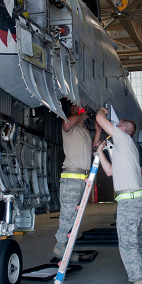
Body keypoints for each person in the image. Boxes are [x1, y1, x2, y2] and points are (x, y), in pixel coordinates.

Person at [95, 107, 142, 284]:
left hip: (129, 201)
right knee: (135, 243)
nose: (114, 128)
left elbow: (100, 118)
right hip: (133, 199)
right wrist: (101, 152)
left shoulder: (124, 139)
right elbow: (109, 172)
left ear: (122, 129)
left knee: (127, 245)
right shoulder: (123, 149)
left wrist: (101, 110)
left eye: (116, 126)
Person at [53, 104, 101, 262]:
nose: (84, 111)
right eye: (80, 109)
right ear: (74, 112)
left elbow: (93, 147)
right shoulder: (70, 127)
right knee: (68, 214)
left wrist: (98, 131)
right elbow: (66, 124)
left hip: (82, 179)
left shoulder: (83, 130)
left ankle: (67, 248)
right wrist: (80, 116)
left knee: (75, 217)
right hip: (72, 177)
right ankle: (60, 244)